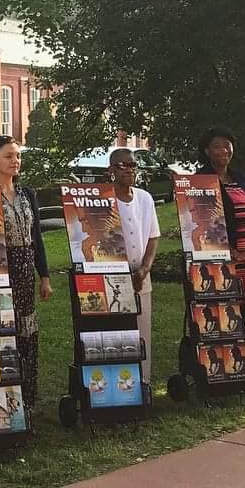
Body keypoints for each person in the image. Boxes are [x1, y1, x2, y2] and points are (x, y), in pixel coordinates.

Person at [0, 136, 52, 414]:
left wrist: (44, 276)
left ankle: (27, 399)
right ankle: (1, 397)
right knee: (0, 332)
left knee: (26, 334)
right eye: (8, 156)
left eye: (17, 156)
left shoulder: (27, 195)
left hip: (24, 271)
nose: (15, 161)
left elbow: (37, 239)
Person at [108, 148, 160, 386]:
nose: (130, 170)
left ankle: (143, 382)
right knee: (114, 330)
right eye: (123, 165)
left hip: (140, 274)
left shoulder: (145, 198)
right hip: (111, 277)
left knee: (142, 330)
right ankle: (118, 383)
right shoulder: (103, 199)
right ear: (111, 170)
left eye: (133, 165)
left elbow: (153, 236)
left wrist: (145, 268)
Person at [196, 128, 245, 311]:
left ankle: (242, 339)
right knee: (222, 305)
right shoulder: (201, 180)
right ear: (207, 151)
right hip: (218, 253)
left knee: (242, 303)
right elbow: (203, 221)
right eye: (217, 147)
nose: (224, 150)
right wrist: (227, 251)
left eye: (227, 145)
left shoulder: (240, 177)